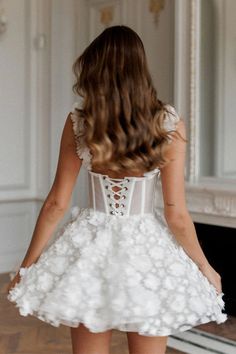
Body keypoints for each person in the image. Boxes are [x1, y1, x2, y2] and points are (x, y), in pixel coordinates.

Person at [7, 25, 227, 354]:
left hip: (89, 247)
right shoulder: (167, 123)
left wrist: (28, 265)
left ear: (95, 69)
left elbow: (56, 203)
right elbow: (176, 214)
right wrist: (205, 266)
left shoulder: (81, 122)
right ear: (141, 68)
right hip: (146, 251)